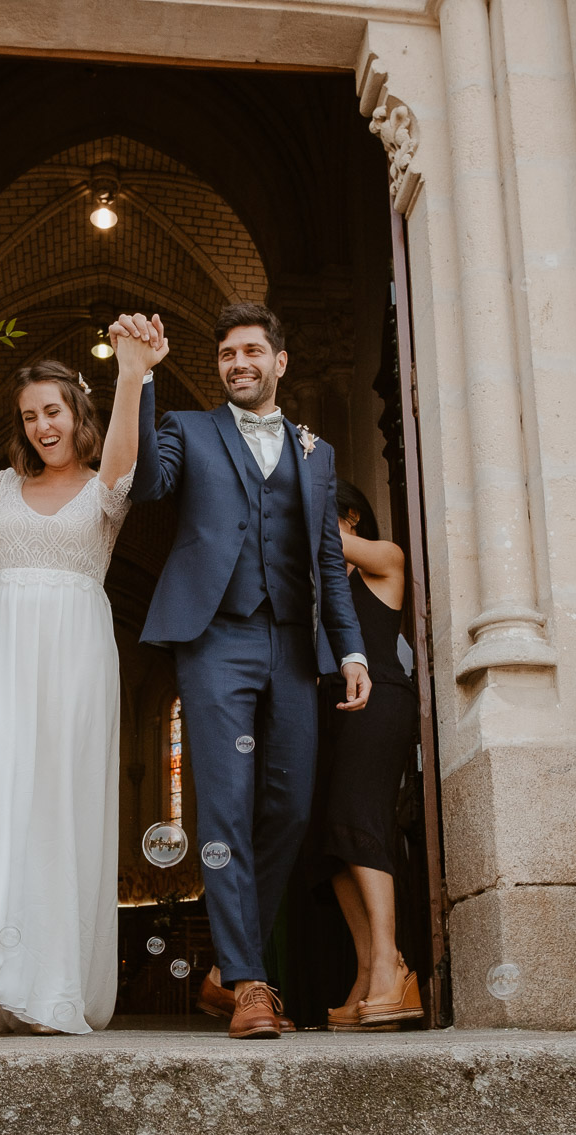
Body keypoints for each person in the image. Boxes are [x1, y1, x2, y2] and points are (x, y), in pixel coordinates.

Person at [0, 319, 168, 1035]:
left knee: (57, 804)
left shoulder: (104, 493)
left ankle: (47, 982)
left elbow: (121, 462)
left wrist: (134, 373)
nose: (42, 425)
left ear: (76, 413)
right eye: (29, 416)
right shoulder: (1, 487)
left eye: (52, 410)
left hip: (75, 652)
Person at [130, 302, 369, 1039]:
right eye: (228, 353)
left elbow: (329, 560)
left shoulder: (316, 452)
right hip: (214, 640)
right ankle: (247, 980)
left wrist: (351, 647)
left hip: (293, 647)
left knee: (290, 807)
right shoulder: (189, 431)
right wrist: (139, 384)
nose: (239, 363)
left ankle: (220, 973)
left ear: (279, 362)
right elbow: (146, 485)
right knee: (226, 806)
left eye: (252, 351)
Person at [320, 481, 422, 1029]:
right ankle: (367, 972)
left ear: (351, 516)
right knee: (335, 839)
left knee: (362, 821)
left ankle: (393, 967)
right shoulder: (318, 581)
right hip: (327, 705)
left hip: (378, 698)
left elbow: (327, 544)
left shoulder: (385, 560)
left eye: (318, 509)